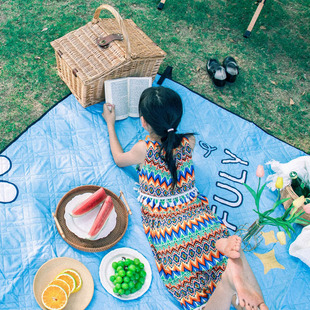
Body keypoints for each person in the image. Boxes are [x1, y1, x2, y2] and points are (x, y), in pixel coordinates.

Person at [102, 86, 268, 310]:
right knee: (216, 262)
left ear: (143, 122)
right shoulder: (189, 141)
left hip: (167, 226)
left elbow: (119, 159)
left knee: (194, 289)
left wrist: (110, 124)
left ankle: (229, 283)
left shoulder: (144, 149)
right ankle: (239, 284)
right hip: (197, 216)